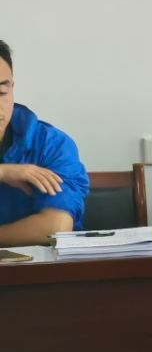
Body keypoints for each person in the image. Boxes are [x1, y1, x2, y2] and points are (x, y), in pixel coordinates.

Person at [0, 38, 87, 246]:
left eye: (2, 92)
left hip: (40, 265)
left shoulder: (51, 145)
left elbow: (55, 227)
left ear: (12, 88)